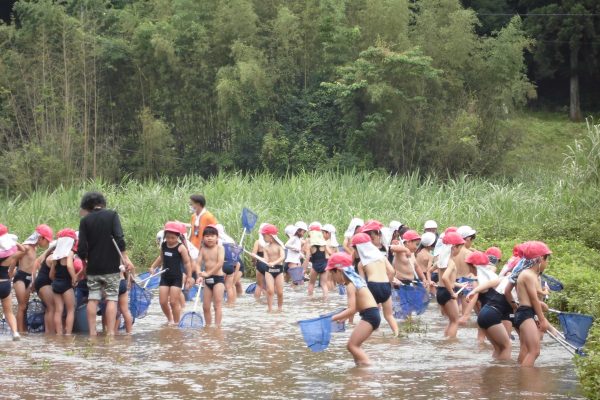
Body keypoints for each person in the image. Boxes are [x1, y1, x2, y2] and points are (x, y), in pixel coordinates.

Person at [77, 191, 134, 336]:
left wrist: (84, 265)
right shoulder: (112, 215)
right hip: (111, 267)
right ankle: (110, 334)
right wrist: (125, 258)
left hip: (93, 268)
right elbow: (119, 239)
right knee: (111, 299)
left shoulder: (85, 221)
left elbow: (82, 247)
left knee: (93, 298)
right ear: (102, 203)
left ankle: (92, 333)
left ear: (87, 205)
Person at [329, 252, 379, 366]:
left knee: (352, 346)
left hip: (370, 316)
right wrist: (344, 317)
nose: (332, 278)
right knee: (354, 346)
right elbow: (358, 306)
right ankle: (359, 370)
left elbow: (351, 309)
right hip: (372, 314)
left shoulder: (350, 285)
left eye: (332, 274)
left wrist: (332, 318)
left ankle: (370, 369)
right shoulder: (356, 281)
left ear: (339, 271)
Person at [506, 241, 552, 367]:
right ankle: (526, 382)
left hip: (524, 313)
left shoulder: (527, 274)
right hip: (525, 314)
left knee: (526, 349)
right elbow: (533, 299)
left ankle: (519, 377)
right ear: (540, 259)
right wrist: (542, 320)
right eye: (547, 260)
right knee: (534, 351)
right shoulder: (528, 275)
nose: (546, 264)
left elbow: (533, 296)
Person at [353, 232, 399, 337]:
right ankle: (396, 335)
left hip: (373, 286)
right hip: (385, 285)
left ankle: (373, 336)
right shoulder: (381, 256)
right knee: (389, 315)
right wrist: (389, 284)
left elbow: (362, 283)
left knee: (372, 314)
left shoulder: (361, 263)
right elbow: (392, 271)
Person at [149, 222, 193, 324]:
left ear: (177, 237)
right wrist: (153, 266)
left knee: (173, 302)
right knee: (162, 302)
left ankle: (177, 323)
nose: (170, 240)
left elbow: (187, 263)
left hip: (176, 277)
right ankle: (170, 319)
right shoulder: (164, 245)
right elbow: (161, 257)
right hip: (165, 277)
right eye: (168, 237)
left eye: (173, 238)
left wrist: (189, 277)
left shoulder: (181, 248)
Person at [14, 224, 53, 333]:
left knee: (25, 307)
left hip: (28, 279)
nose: (48, 243)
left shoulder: (34, 248)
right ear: (40, 238)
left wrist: (33, 281)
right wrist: (10, 273)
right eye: (47, 241)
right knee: (21, 306)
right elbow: (13, 258)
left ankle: (24, 330)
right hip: (20, 278)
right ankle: (19, 332)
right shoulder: (26, 247)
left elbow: (32, 266)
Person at [466, 275, 515, 360]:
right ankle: (504, 373)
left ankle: (494, 371)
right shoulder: (518, 279)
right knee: (507, 346)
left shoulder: (507, 278)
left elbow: (489, 283)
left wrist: (473, 291)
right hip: (492, 314)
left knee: (498, 348)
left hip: (485, 312)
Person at [436, 232, 468, 338]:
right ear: (454, 247)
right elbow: (445, 278)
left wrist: (458, 284)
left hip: (440, 292)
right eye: (460, 247)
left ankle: (446, 340)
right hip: (447, 292)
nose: (460, 250)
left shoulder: (441, 260)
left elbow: (430, 271)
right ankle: (450, 344)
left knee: (451, 321)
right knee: (455, 321)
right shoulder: (451, 262)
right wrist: (452, 293)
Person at [49, 229, 78, 335]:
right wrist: (74, 278)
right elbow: (69, 266)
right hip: (66, 284)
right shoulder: (69, 253)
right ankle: (68, 333)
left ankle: (59, 334)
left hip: (56, 284)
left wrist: (56, 281)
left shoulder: (56, 254)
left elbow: (51, 274)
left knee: (58, 310)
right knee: (71, 310)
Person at [0, 224, 26, 340]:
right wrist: (13, 242)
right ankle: (15, 333)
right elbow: (23, 250)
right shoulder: (10, 255)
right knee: (9, 312)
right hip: (5, 284)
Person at [196, 225, 225, 326]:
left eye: (212, 236)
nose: (209, 238)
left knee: (217, 305)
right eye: (207, 236)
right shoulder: (203, 249)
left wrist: (208, 273)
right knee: (205, 306)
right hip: (207, 281)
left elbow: (220, 263)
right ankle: (208, 326)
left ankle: (217, 327)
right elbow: (198, 264)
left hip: (218, 279)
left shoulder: (220, 248)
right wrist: (199, 275)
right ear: (203, 238)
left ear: (217, 238)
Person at [257, 224, 285, 312]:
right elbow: (265, 259)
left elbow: (282, 257)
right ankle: (270, 309)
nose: (263, 237)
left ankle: (280, 309)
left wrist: (274, 262)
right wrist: (257, 257)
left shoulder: (280, 246)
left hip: (278, 270)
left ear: (271, 236)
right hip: (269, 271)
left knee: (280, 292)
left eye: (264, 235)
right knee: (270, 291)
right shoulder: (266, 247)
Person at [306, 223, 331, 298]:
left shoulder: (310, 243)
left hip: (315, 265)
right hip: (324, 265)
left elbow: (306, 254)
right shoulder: (323, 242)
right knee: (324, 284)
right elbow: (330, 252)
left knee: (311, 284)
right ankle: (325, 299)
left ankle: (310, 299)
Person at [217, 224, 240, 305]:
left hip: (221, 265)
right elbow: (236, 254)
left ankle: (218, 304)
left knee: (219, 286)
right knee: (229, 287)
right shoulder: (230, 239)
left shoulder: (218, 240)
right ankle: (231, 304)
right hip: (231, 265)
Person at [251, 223, 270, 300]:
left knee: (259, 285)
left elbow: (253, 255)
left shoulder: (258, 242)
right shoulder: (272, 242)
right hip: (270, 264)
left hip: (260, 265)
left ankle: (257, 302)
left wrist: (253, 262)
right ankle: (268, 301)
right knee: (269, 285)